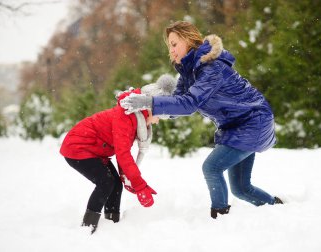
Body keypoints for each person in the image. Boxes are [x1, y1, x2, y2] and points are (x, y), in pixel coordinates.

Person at [121, 21, 283, 219]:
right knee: (241, 188)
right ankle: (279, 207)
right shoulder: (189, 72)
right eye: (168, 46)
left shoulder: (210, 68)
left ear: (189, 40)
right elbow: (177, 102)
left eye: (174, 44)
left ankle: (220, 217)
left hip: (253, 121)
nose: (171, 51)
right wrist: (149, 108)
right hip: (235, 126)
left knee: (212, 168)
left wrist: (150, 102)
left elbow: (189, 103)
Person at [60, 74, 176, 233]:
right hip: (78, 147)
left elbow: (123, 156)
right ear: (150, 110)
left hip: (95, 149)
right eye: (159, 118)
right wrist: (139, 185)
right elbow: (123, 155)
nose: (157, 122)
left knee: (115, 184)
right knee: (106, 183)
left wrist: (130, 180)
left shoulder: (134, 118)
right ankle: (87, 227)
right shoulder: (126, 117)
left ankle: (112, 225)